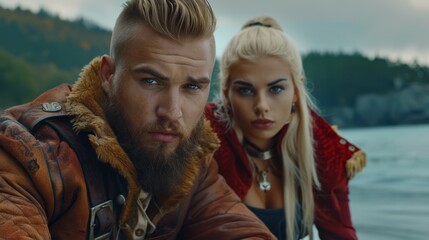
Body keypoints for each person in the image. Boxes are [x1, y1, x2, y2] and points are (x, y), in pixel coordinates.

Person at [0, 1, 276, 239]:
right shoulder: (32, 153)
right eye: (151, 81)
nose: (172, 112)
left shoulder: (190, 162)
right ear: (108, 76)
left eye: (192, 87)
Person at [205, 16, 367, 240]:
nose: (261, 106)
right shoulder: (203, 143)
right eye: (245, 90)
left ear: (296, 91)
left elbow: (341, 235)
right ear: (226, 94)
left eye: (276, 89)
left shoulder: (323, 150)